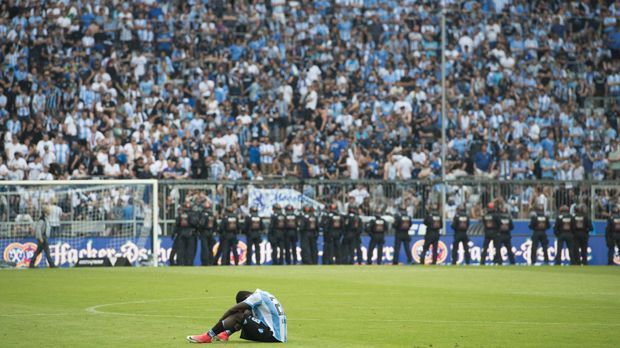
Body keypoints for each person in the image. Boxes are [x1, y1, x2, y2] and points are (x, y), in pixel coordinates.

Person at [187, 289, 287, 343]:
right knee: (245, 316)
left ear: (245, 299)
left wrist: (219, 324)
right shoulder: (264, 294)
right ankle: (225, 335)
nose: (243, 309)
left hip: (272, 335)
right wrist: (227, 332)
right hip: (278, 335)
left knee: (238, 316)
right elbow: (248, 317)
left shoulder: (256, 297)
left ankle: (208, 336)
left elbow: (232, 310)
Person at [196, 201, 218, 266]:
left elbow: (201, 224)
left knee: (204, 248)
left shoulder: (203, 214)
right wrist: (214, 231)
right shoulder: (212, 214)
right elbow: (215, 225)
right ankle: (211, 261)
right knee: (210, 248)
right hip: (211, 233)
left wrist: (199, 231)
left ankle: (205, 262)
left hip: (204, 232)